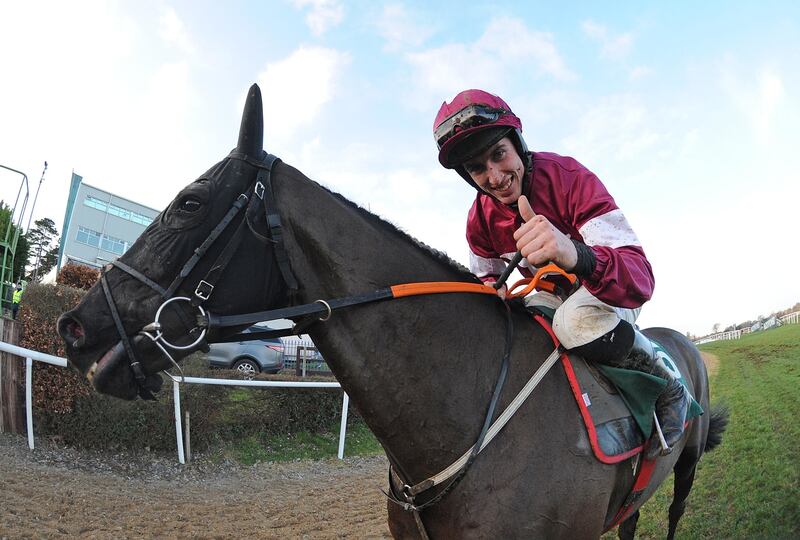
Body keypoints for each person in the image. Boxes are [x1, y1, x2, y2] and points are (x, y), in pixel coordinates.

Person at [433, 89, 690, 457]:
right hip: (550, 297)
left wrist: (576, 255)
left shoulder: (570, 178)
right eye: (477, 168)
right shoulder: (479, 222)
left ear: (518, 144)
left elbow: (640, 278)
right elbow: (488, 281)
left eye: (499, 154)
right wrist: (493, 293)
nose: (495, 177)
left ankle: (669, 386)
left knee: (574, 320)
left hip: (608, 294)